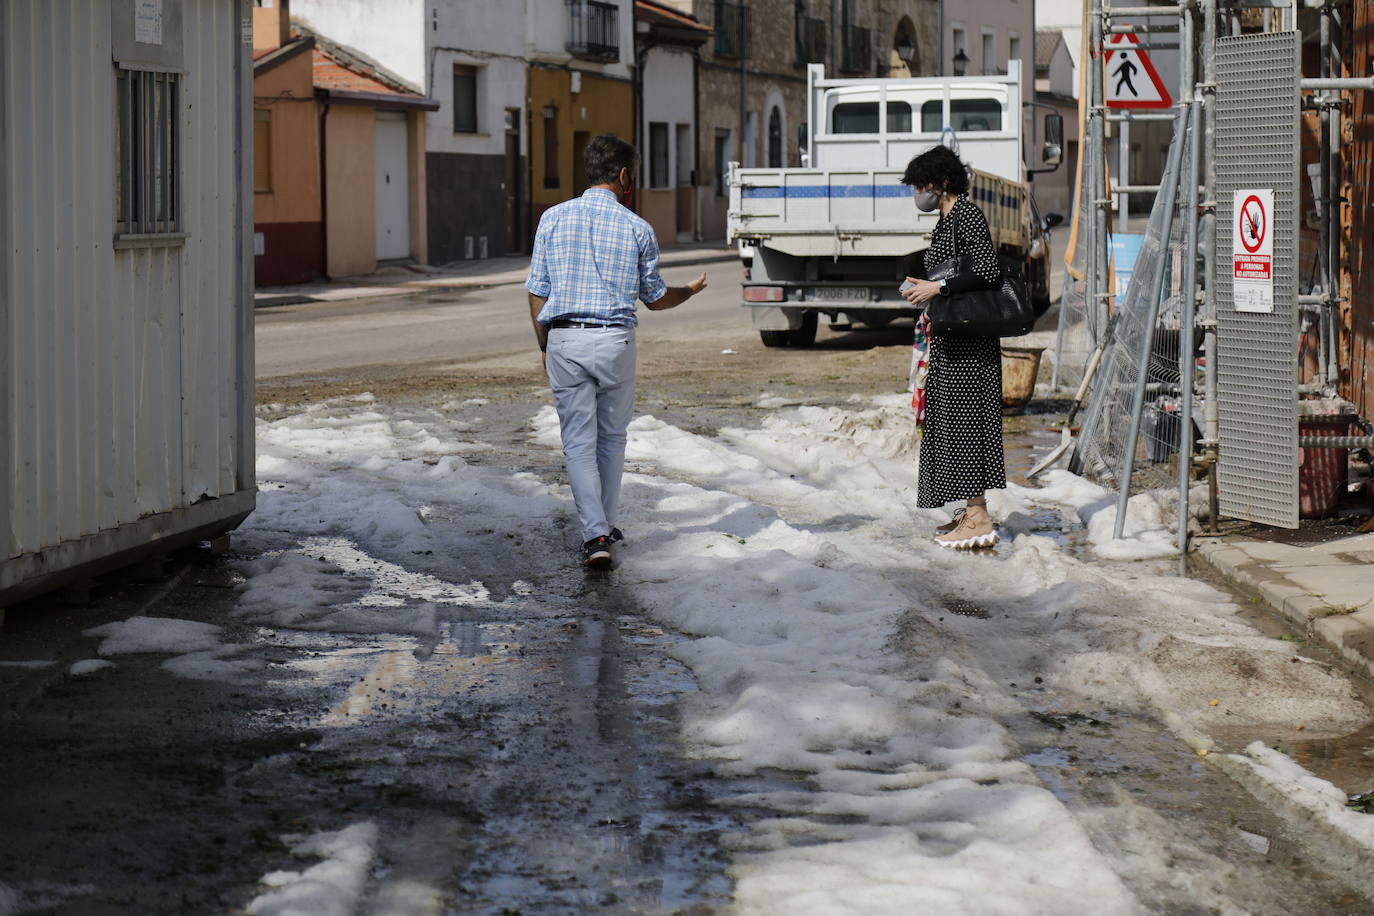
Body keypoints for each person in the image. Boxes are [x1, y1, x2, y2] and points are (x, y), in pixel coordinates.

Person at [526, 135, 707, 569]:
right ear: (624, 176)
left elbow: (537, 290)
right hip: (615, 341)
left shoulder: (552, 218)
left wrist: (545, 343)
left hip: (565, 338)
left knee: (577, 443)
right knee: (612, 438)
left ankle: (596, 533)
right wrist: (690, 290)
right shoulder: (637, 227)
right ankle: (604, 527)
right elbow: (656, 298)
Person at [899, 144, 1007, 550]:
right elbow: (954, 270)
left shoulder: (967, 215)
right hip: (950, 339)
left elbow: (986, 268)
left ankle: (978, 516)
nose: (917, 193)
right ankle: (970, 510)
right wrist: (925, 291)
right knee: (950, 425)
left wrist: (937, 287)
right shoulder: (945, 221)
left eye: (922, 184)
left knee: (967, 425)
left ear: (943, 182)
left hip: (970, 343)